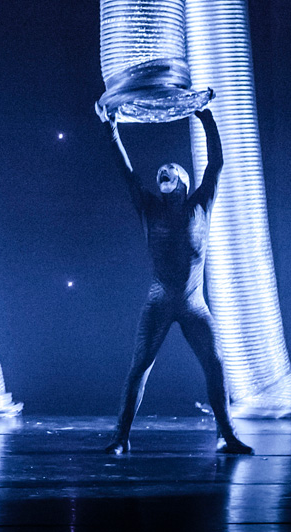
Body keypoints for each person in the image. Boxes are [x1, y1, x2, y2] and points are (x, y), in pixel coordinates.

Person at [103, 108, 252, 456]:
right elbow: (125, 171)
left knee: (215, 365)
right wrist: (110, 127)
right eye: (160, 174)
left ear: (184, 181)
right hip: (159, 299)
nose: (162, 174)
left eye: (170, 172)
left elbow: (216, 163)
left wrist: (207, 118)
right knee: (139, 366)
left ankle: (227, 434)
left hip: (193, 302)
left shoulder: (202, 203)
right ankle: (120, 437)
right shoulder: (149, 207)